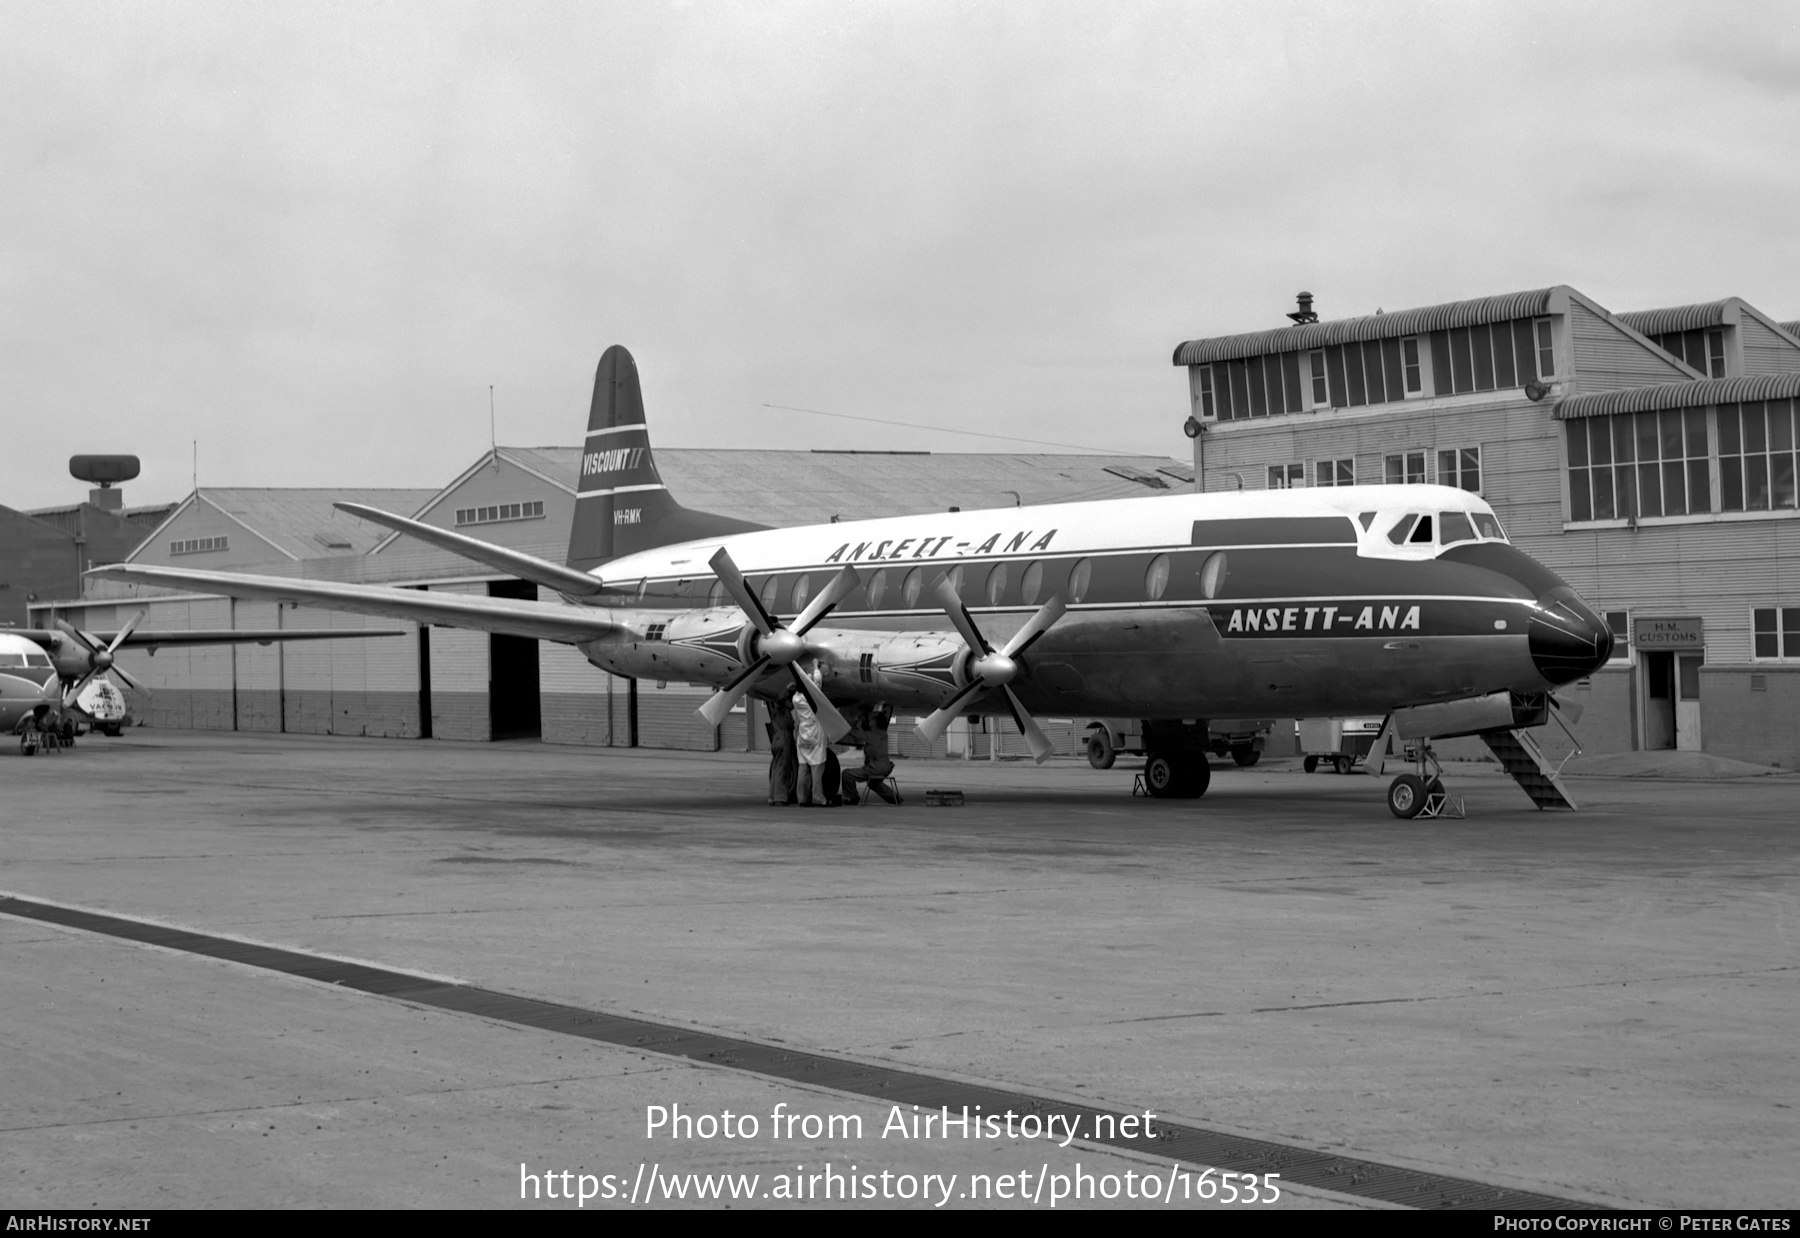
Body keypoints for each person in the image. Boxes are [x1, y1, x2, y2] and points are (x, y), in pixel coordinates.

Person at [840, 706, 899, 805]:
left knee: (846, 774)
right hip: (886, 766)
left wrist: (853, 721)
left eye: (872, 718)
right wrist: (861, 722)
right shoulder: (882, 734)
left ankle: (853, 798)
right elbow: (862, 732)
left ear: (874, 723)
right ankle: (895, 798)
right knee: (873, 783)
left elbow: (852, 732)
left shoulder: (871, 735)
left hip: (875, 767)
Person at [791, 688, 828, 806]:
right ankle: (818, 797)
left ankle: (802, 798)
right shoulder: (811, 699)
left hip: (803, 733)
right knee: (817, 769)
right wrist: (816, 669)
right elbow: (816, 684)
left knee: (803, 769)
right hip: (814, 733)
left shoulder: (796, 699)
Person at [767, 695, 797, 806]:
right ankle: (780, 797)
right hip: (784, 740)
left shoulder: (774, 712)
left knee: (775, 769)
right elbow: (789, 725)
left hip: (776, 739)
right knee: (783, 769)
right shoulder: (784, 713)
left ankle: (772, 796)